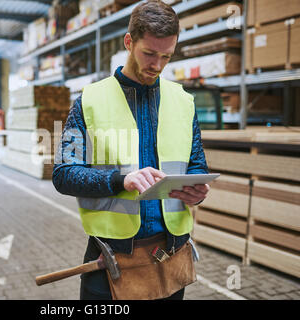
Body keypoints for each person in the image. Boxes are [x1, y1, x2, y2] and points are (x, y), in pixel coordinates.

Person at [52, 0, 210, 300]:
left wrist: (197, 189)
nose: (157, 65)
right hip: (112, 258)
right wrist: (120, 180)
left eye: (166, 56)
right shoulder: (89, 101)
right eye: (149, 53)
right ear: (129, 42)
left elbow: (196, 163)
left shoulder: (183, 101)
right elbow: (64, 174)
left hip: (171, 253)